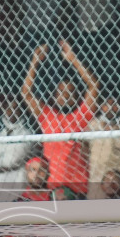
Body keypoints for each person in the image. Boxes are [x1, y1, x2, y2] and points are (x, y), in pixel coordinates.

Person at [21, 41, 100, 198]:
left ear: (77, 96)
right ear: (54, 96)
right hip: (54, 187)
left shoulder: (80, 116)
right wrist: (35, 62)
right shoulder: (47, 116)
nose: (65, 95)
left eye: (70, 92)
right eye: (61, 91)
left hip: (79, 187)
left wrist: (73, 59)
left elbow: (94, 86)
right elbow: (26, 94)